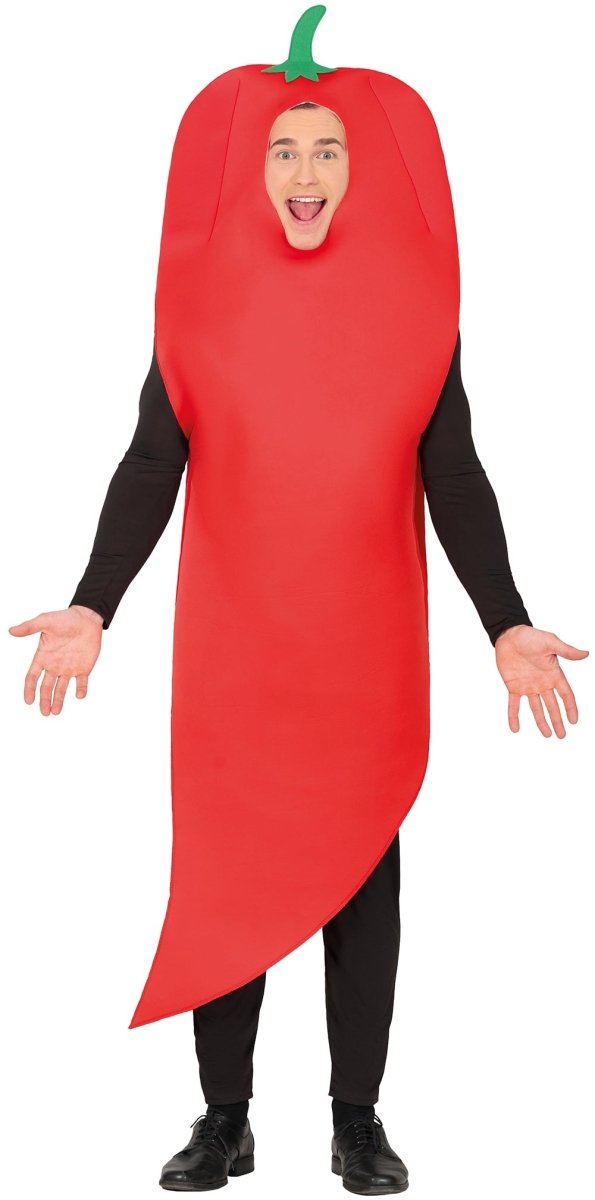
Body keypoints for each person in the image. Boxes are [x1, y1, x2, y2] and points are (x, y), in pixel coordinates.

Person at [8, 37, 588, 1200]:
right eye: (283, 150)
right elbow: (152, 459)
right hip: (234, 650)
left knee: (361, 883)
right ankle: (224, 1120)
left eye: (328, 149)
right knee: (228, 875)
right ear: (253, 170)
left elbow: (453, 473)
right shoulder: (202, 309)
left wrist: (505, 622)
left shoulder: (416, 314)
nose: (306, 170)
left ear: (360, 170)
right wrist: (92, 600)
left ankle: (356, 1120)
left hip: (364, 653)